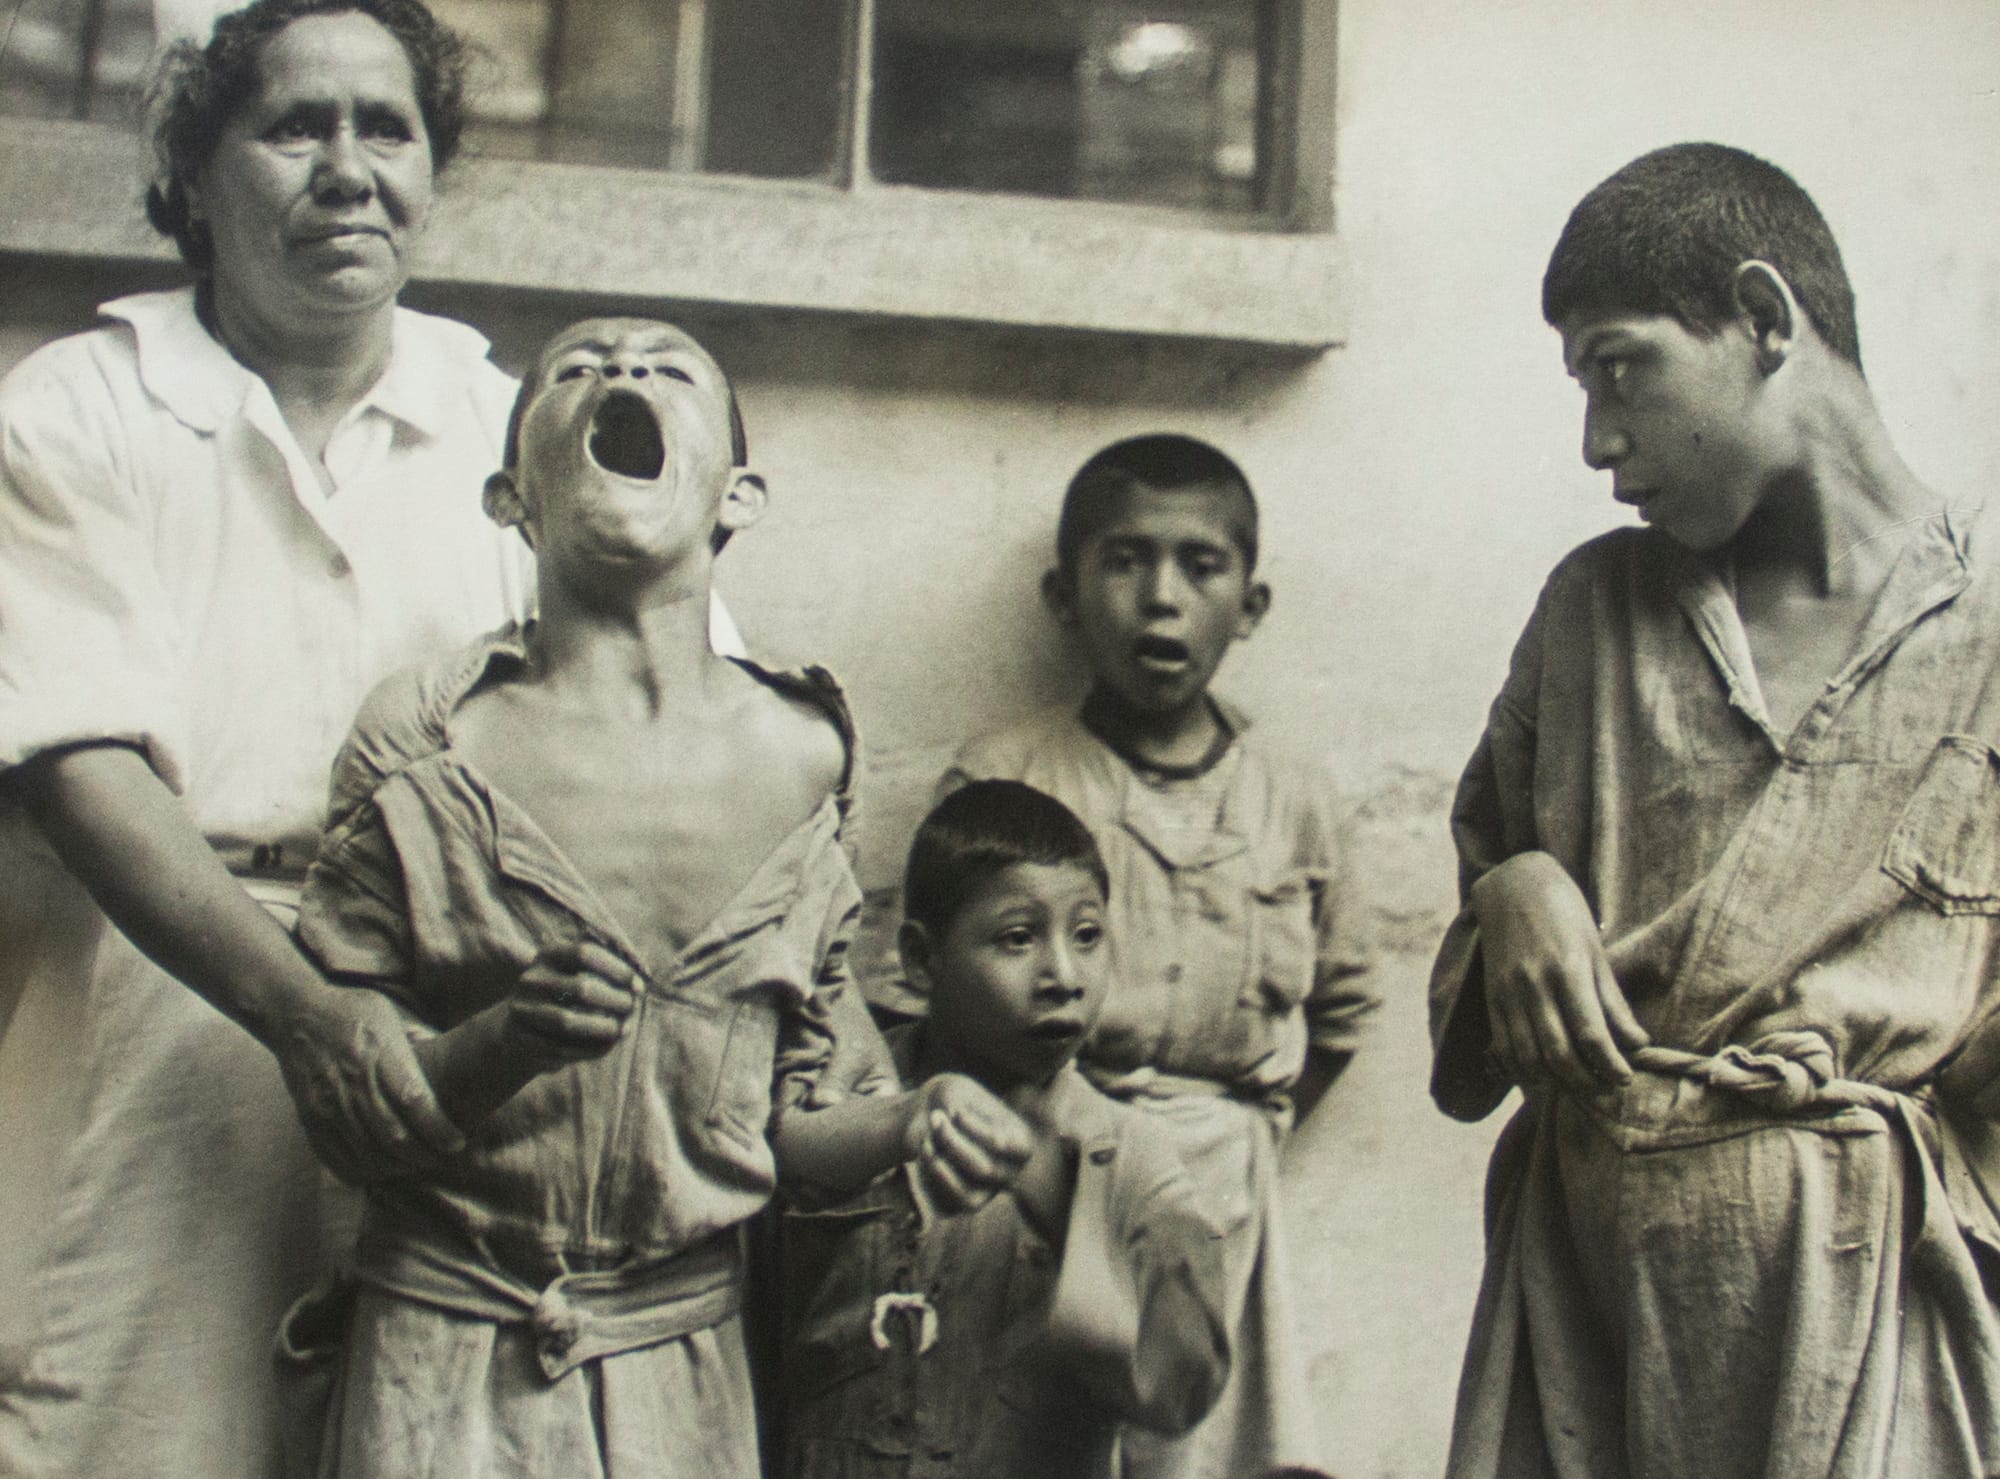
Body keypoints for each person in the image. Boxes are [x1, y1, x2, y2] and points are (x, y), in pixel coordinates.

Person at [0, 4, 730, 1474]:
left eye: (385, 129)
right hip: (164, 1012)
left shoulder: (528, 423)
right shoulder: (82, 404)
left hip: (479, 1047)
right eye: (294, 127)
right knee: (135, 1436)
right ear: (193, 175)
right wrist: (310, 1016)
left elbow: (687, 710)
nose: (348, 170)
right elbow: (82, 762)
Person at [288, 314, 1034, 1477]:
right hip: (442, 1361)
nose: (623, 369)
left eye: (670, 367)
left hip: (682, 1381)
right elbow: (345, 1109)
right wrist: (500, 1042)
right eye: (574, 369)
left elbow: (779, 1124)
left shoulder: (808, 755)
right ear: (508, 497)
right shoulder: (426, 743)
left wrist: (910, 1116)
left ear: (739, 496)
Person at [1429, 142, 2000, 1479]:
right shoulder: (1591, 612)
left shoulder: (1985, 626)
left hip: (1868, 1309)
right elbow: (1478, 969)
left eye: (1620, 368)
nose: (1597, 440)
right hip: (1589, 1295)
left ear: (1761, 318)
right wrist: (1510, 889)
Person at [941, 433, 1376, 1479]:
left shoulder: (1294, 792)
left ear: (1251, 605)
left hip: (1225, 1201)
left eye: (1200, 565)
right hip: (1043, 1188)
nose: (1162, 599)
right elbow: (935, 1009)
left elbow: (1344, 1008)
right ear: (1063, 594)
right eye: (1125, 560)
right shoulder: (1007, 778)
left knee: (1202, 1450)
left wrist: (1238, 1134)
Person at [781, 779, 1231, 1479]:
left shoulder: (1130, 1159)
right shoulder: (840, 1103)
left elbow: (1181, 1390)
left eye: (1087, 936)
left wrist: (1065, 1207)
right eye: (1017, 939)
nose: (1064, 976)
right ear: (922, 959)